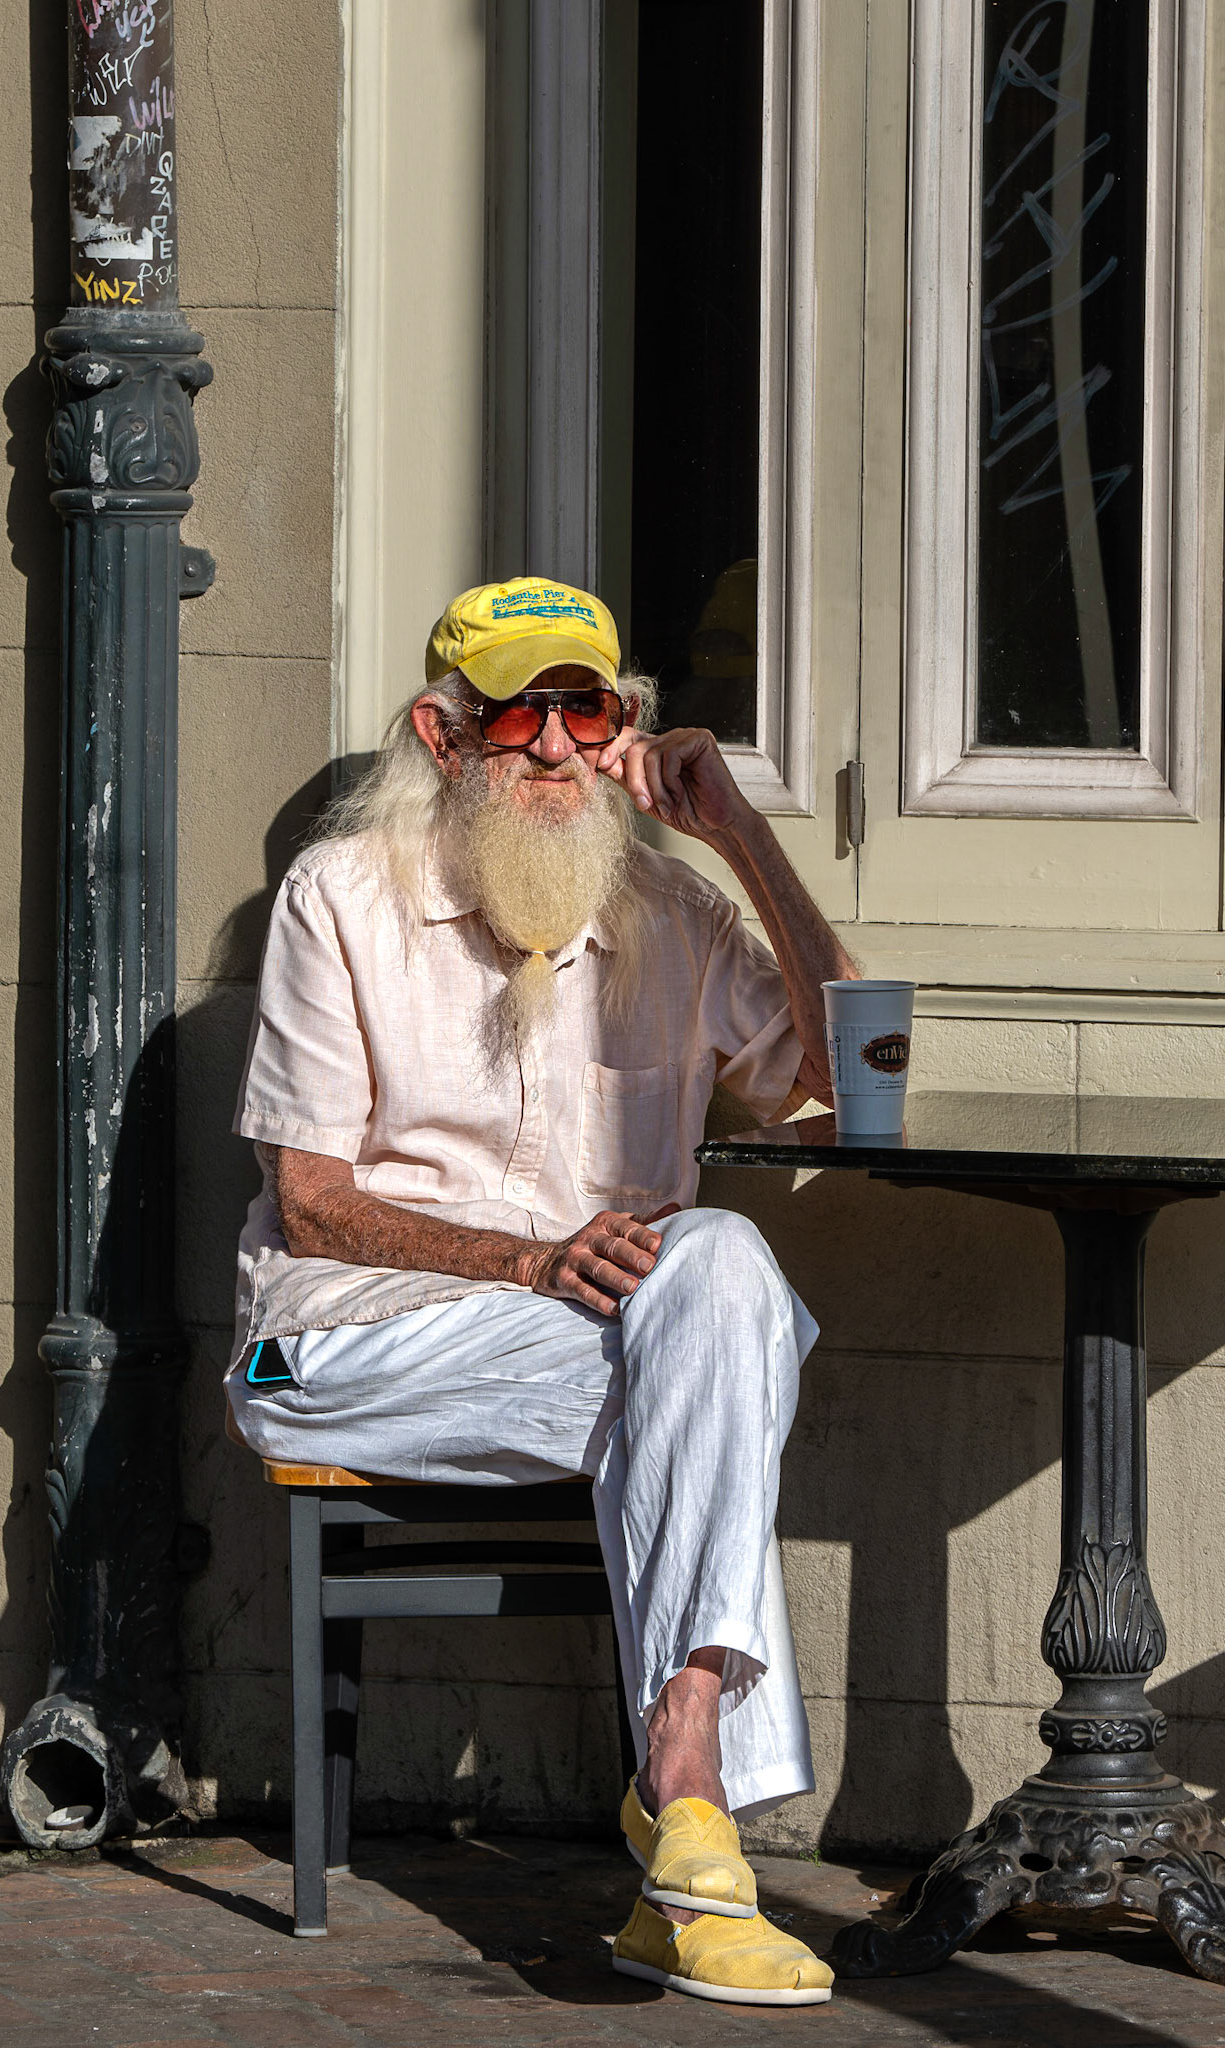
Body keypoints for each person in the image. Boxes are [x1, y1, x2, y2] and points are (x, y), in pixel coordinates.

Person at [227, 575, 856, 2004]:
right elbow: (313, 1203)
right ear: (444, 737)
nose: (563, 747)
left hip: (603, 1345)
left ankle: (685, 1786)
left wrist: (744, 840)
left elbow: (845, 1099)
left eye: (591, 707)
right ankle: (687, 1817)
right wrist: (526, 1259)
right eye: (524, 713)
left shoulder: (669, 910)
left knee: (722, 1274)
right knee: (721, 1352)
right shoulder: (344, 895)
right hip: (348, 1344)